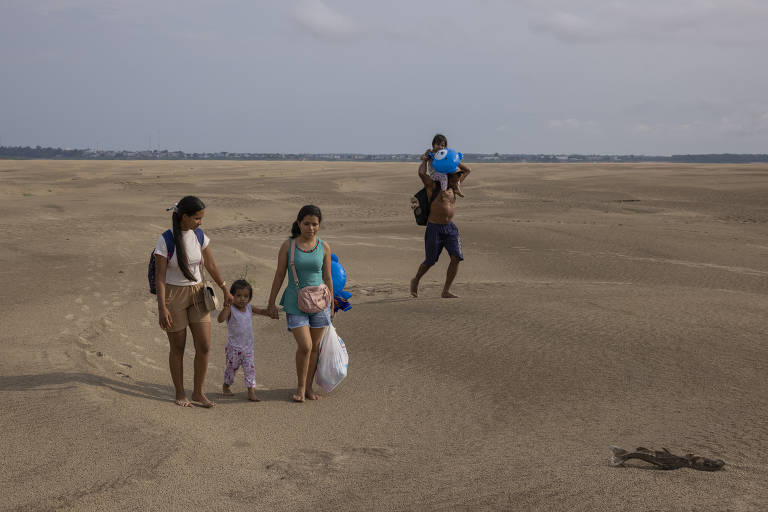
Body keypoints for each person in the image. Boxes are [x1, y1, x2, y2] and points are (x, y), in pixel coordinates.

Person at [153, 195, 234, 408]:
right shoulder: (166, 239)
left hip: (198, 294)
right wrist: (162, 307)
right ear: (184, 216)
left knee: (205, 346)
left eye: (202, 218)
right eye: (197, 218)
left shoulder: (199, 235)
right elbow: (159, 277)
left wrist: (225, 288)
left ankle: (198, 392)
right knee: (178, 347)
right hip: (174, 296)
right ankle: (180, 393)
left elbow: (211, 265)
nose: (200, 222)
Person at [266, 205, 334, 403]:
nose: (310, 228)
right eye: (306, 224)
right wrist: (271, 303)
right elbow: (279, 275)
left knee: (315, 348)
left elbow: (328, 277)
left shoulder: (324, 246)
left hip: (320, 302)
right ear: (298, 223)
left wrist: (332, 303)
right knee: (305, 346)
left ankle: (309, 388)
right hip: (295, 302)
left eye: (315, 224)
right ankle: (300, 386)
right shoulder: (289, 245)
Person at [410, 142, 470, 299]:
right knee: (430, 261)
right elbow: (422, 174)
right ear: (448, 175)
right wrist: (425, 159)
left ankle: (446, 290)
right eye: (455, 174)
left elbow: (467, 170)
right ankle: (416, 280)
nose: (458, 177)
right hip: (434, 228)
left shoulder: (454, 185)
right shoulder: (434, 186)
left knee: (456, 257)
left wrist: (453, 159)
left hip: (450, 228)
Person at [218, 279, 270, 402]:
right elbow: (220, 319)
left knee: (250, 370)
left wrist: (270, 312)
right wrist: (226, 307)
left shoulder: (249, 308)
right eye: (239, 296)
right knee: (231, 370)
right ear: (232, 296)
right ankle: (226, 386)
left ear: (250, 298)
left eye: (246, 296)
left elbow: (262, 311)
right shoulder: (231, 309)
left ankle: (251, 391)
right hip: (234, 348)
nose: (242, 299)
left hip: (248, 349)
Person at [421, 133, 471, 197]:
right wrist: (424, 157)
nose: (440, 147)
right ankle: (443, 191)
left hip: (445, 172)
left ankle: (456, 187)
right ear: (433, 144)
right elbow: (423, 157)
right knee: (443, 176)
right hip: (434, 174)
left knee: (456, 175)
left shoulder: (445, 154)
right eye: (438, 144)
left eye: (442, 145)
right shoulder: (431, 153)